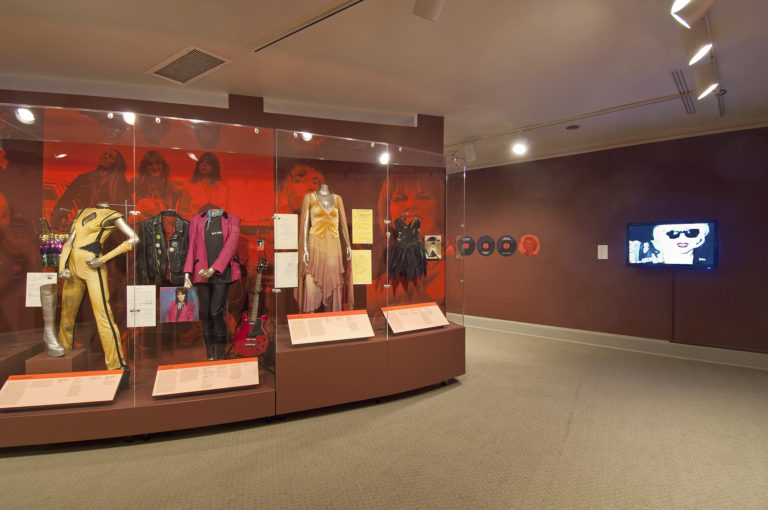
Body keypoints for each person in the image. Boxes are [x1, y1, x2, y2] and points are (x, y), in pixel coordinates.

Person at [58, 203, 139, 371]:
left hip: (92, 267)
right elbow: (69, 242)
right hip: (73, 269)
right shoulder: (82, 212)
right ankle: (64, 352)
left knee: (103, 315)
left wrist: (103, 259)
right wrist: (62, 267)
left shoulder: (111, 215)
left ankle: (115, 364)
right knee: (67, 313)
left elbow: (133, 239)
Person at [184, 208, 241, 361]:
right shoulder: (196, 220)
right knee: (205, 313)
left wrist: (213, 269)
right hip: (200, 272)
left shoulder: (233, 220)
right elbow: (192, 248)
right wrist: (187, 272)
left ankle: (221, 354)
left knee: (216, 312)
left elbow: (230, 248)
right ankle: (210, 355)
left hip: (222, 273)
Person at [297, 184, 352, 312]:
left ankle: (333, 314)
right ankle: (310, 314)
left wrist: (348, 245)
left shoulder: (338, 199)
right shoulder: (309, 198)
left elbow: (343, 224)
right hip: (315, 243)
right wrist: (304, 247)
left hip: (334, 243)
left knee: (334, 278)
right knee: (311, 277)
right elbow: (305, 223)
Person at [50, 148, 130, 230]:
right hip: (85, 225)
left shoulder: (120, 184)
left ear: (116, 164)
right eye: (104, 154)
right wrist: (55, 223)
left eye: (110, 157)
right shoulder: (83, 179)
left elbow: (127, 207)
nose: (105, 157)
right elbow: (64, 202)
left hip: (110, 228)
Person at [131, 150, 184, 220]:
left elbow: (176, 211)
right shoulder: (137, 184)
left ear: (163, 166)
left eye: (158, 163)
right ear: (145, 167)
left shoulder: (173, 187)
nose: (154, 167)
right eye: (150, 164)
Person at [179, 152, 231, 219]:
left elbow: (228, 212)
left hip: (217, 226)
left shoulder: (224, 188)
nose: (204, 164)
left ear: (214, 166)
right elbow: (183, 213)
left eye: (208, 163)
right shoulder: (188, 187)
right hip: (195, 226)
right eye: (201, 162)